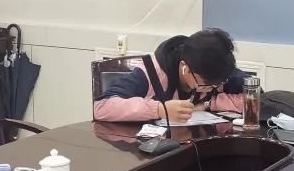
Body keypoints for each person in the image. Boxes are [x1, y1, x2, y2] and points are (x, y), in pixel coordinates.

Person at [93, 29, 245, 123]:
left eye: (215, 85)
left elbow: (253, 99)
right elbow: (101, 107)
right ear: (185, 68)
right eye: (205, 85)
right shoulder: (151, 71)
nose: (210, 89)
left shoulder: (216, 70)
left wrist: (209, 104)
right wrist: (160, 109)